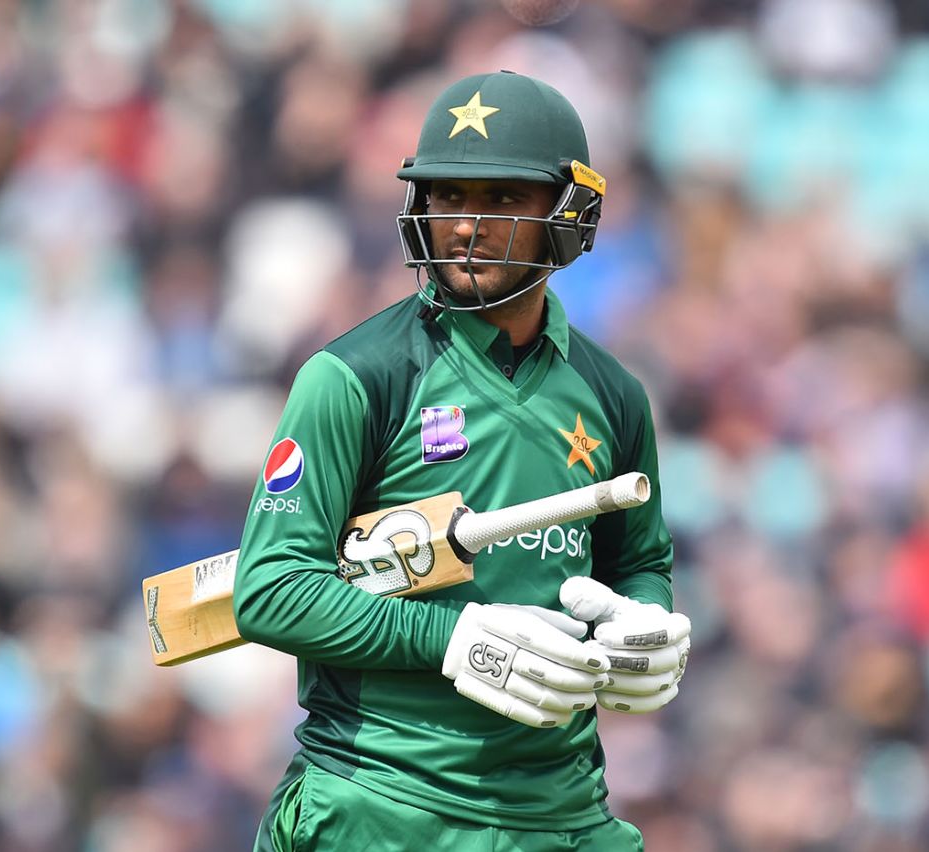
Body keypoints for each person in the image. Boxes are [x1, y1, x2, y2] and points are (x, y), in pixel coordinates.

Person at [232, 71, 691, 851]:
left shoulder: (614, 395)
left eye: (503, 198)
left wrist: (643, 622)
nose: (468, 226)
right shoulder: (353, 378)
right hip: (382, 807)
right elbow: (271, 591)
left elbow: (638, 562)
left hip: (565, 817)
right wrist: (451, 639)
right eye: (448, 197)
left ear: (568, 214)